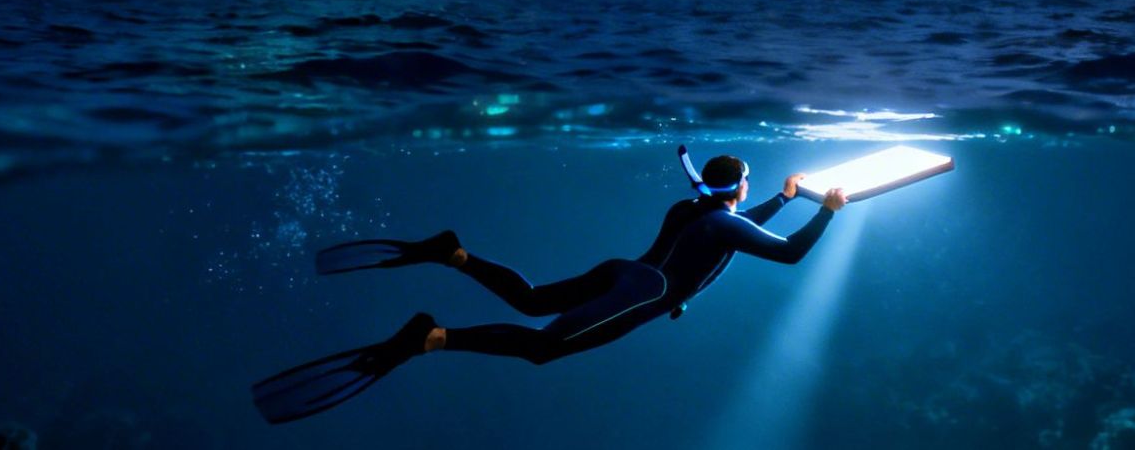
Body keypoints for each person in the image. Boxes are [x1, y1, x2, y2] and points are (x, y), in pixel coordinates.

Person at [251, 149, 847, 424]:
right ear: (739, 188)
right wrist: (827, 212)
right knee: (541, 348)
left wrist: (784, 198)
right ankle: (428, 337)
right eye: (750, 186)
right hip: (639, 295)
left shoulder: (693, 209)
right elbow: (788, 254)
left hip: (626, 272)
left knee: (533, 299)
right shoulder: (723, 220)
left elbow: (729, 232)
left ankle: (450, 252)